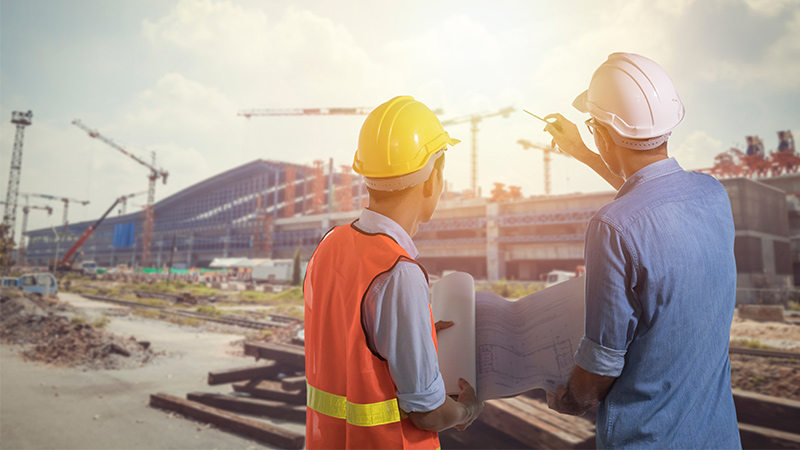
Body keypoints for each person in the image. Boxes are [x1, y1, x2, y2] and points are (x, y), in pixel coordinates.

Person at [542, 53, 741, 449]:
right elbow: (650, 192)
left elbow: (599, 368)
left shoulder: (610, 228)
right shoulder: (713, 196)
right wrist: (582, 152)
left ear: (600, 133)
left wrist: (569, 399)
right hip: (718, 437)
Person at [303, 95, 484, 449]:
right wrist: (466, 411)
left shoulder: (330, 245)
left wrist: (409, 333)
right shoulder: (399, 272)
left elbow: (349, 338)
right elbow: (428, 412)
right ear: (433, 180)